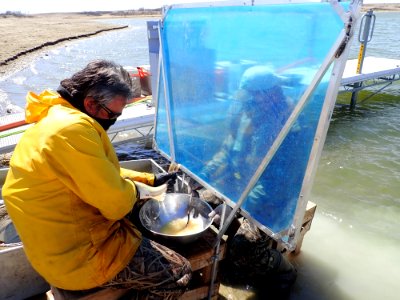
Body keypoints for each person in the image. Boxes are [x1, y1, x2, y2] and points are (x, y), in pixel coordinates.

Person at [2, 60, 191, 299]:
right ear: (90, 103)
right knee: (179, 273)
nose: (113, 121)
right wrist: (139, 191)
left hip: (51, 249)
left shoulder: (55, 117)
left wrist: (149, 179)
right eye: (112, 114)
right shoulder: (73, 130)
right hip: (77, 261)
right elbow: (116, 205)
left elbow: (95, 171)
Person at [201, 65, 297, 295]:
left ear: (271, 94)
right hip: (240, 188)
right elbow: (228, 149)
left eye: (254, 99)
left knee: (245, 245)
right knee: (199, 202)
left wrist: (235, 207)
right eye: (248, 100)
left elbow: (277, 185)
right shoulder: (248, 114)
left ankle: (283, 269)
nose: (248, 105)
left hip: (270, 200)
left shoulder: (288, 128)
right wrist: (206, 173)